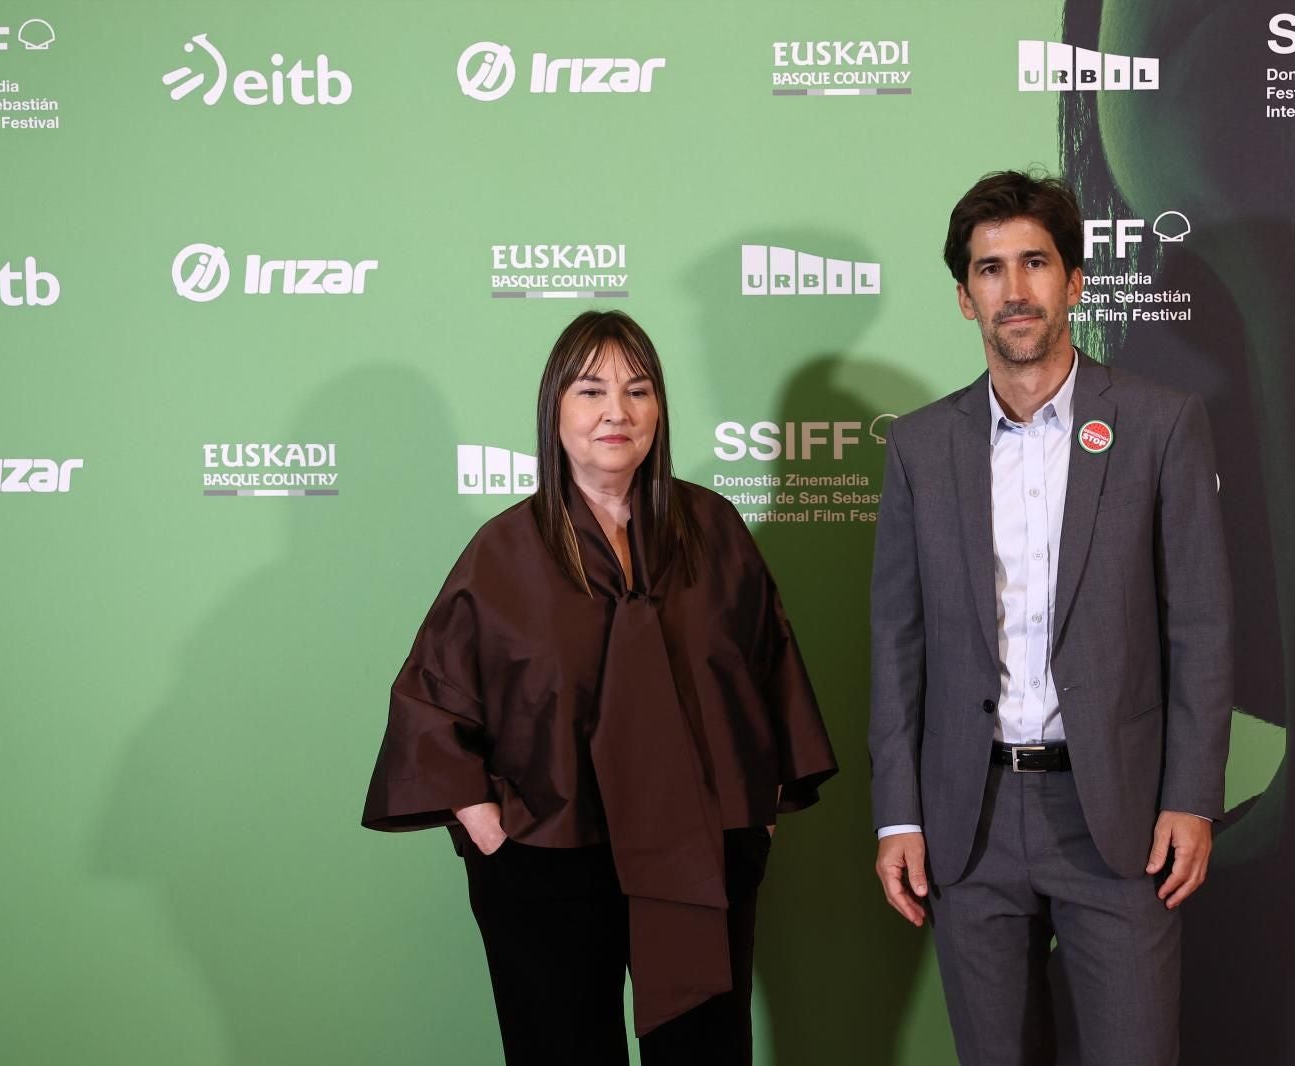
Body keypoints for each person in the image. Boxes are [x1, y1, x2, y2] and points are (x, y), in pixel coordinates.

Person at [362, 309, 836, 1066]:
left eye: (638, 390)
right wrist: (489, 828)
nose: (617, 410)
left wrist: (759, 817)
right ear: (555, 411)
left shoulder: (714, 532)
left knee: (703, 1052)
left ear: (659, 410)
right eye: (591, 391)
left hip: (699, 856)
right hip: (551, 858)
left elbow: (766, 671)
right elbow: (432, 696)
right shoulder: (503, 553)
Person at [867, 171, 1232, 1066]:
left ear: (1073, 281)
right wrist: (896, 815)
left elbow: (1202, 624)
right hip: (968, 815)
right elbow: (897, 643)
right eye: (990, 270)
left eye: (1035, 262)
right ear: (964, 298)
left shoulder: (1160, 424)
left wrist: (1191, 794)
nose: (1014, 289)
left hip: (1117, 814)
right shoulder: (918, 445)